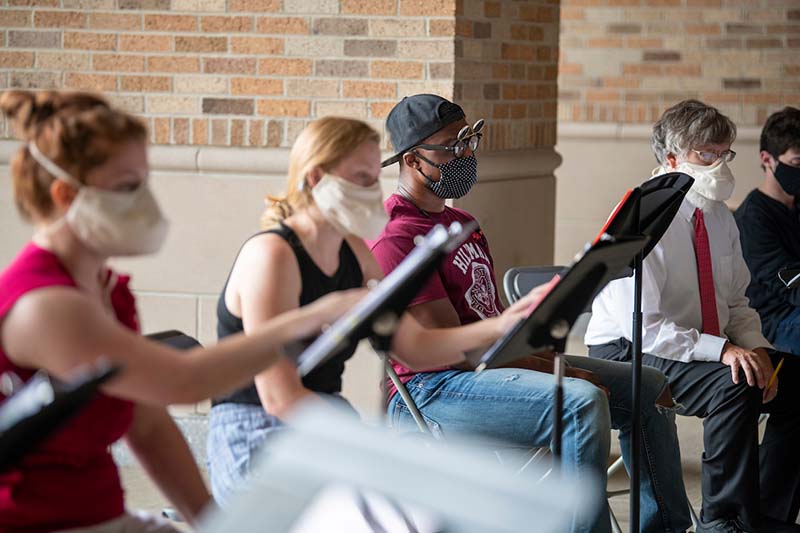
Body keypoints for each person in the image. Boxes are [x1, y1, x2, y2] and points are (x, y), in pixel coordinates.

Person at [0, 90, 365, 533]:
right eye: (128, 188)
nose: (145, 201)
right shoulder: (46, 305)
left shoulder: (107, 290)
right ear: (64, 195)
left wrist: (213, 524)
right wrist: (309, 317)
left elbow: (148, 425)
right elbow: (183, 381)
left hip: (103, 517)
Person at [369, 94, 691, 533]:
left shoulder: (463, 223)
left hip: (486, 368)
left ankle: (667, 528)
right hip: (432, 392)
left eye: (469, 140)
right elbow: (453, 352)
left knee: (648, 386)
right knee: (580, 403)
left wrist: (552, 360)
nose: (466, 154)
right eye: (453, 146)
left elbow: (496, 331)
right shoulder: (397, 235)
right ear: (411, 160)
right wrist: (565, 373)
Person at [205, 115, 539, 507]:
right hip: (258, 432)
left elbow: (416, 348)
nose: (372, 191)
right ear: (316, 178)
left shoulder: (354, 252)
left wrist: (505, 325)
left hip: (324, 418)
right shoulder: (272, 255)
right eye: (361, 179)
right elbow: (279, 397)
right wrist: (368, 447)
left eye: (374, 178)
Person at [586, 99, 800, 533]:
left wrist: (758, 350)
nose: (720, 165)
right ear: (671, 158)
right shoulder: (643, 216)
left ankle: (766, 514)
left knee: (792, 380)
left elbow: (737, 303)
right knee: (735, 384)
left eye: (725, 153)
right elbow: (646, 327)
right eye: (707, 154)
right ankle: (723, 522)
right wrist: (724, 351)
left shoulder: (720, 215)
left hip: (698, 342)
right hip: (627, 348)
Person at [735, 107, 800, 354]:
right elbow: (791, 285)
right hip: (775, 320)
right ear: (767, 159)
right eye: (797, 162)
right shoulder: (752, 219)